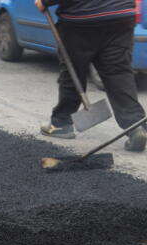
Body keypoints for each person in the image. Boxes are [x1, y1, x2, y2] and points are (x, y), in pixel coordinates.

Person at [35, 0, 147, 152]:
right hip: (121, 15)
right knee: (118, 72)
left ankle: (61, 124)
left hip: (82, 19)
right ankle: (136, 126)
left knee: (73, 69)